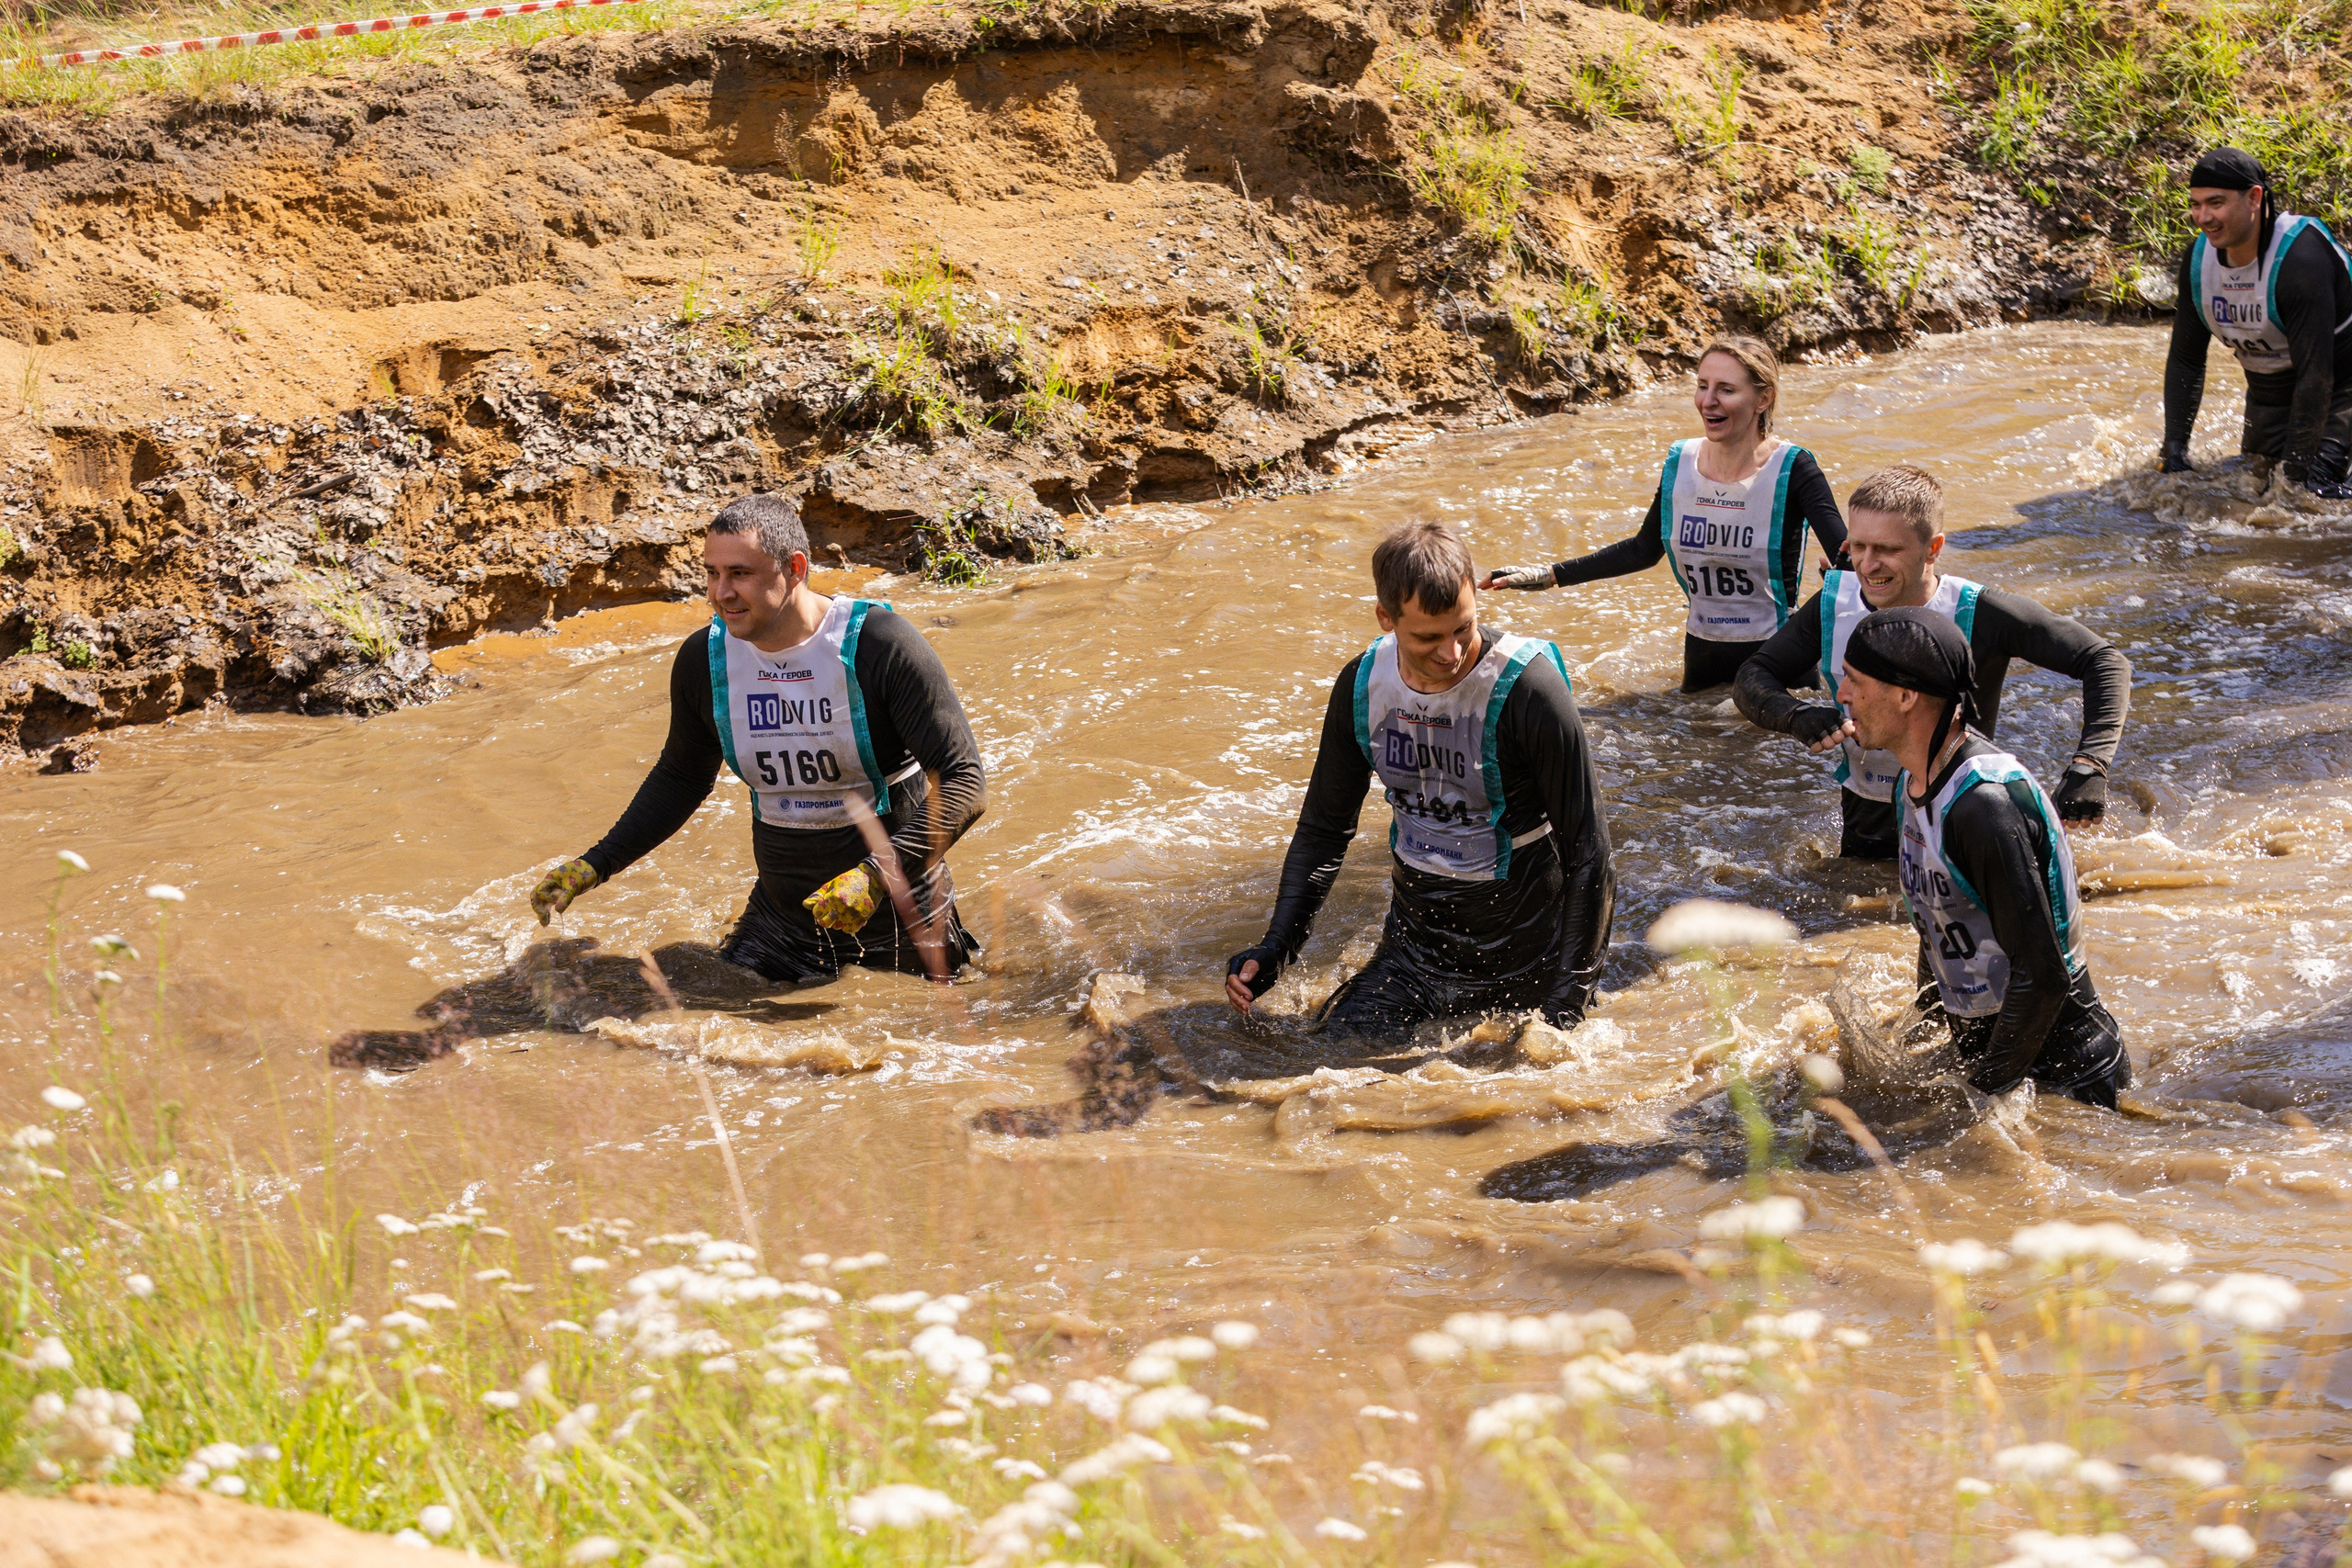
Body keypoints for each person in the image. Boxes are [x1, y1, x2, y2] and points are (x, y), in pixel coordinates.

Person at [528, 493, 986, 984]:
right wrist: (596, 864)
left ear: (794, 568)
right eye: (712, 573)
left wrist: (876, 875)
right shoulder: (706, 661)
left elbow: (964, 781)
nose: (720, 593)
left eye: (740, 574)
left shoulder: (879, 645)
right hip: (778, 926)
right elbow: (682, 777)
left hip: (899, 918)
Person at [1225, 521, 1614, 1040]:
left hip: (1531, 960)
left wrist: (1566, 1008)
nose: (1451, 653)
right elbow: (1324, 830)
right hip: (1415, 957)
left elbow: (1590, 855)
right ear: (1386, 618)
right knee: (1324, 1058)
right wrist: (1277, 948)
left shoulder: (1528, 689)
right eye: (1428, 637)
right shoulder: (1363, 687)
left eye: (1463, 629)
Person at [1734, 465, 2130, 860]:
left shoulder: (1980, 613)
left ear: (1933, 549)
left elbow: (2104, 661)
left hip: (1962, 824)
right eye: (1858, 547)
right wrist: (1795, 715)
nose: (1868, 566)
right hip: (1867, 827)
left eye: (1887, 550)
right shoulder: (1834, 603)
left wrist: (2089, 765)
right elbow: (1752, 677)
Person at [1838, 607, 2128, 1108]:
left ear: (1907, 696)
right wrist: (1920, 1035)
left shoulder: (1982, 806)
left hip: (2069, 1077)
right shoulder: (1911, 786)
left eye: (1854, 681)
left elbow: (2043, 977)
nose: (1841, 694)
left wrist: (1981, 1096)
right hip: (2002, 1057)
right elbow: (1939, 925)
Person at [1480, 336, 1849, 690]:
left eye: (1726, 389)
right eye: (1702, 385)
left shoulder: (1793, 468)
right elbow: (1644, 549)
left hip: (1779, 664)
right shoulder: (1681, 463)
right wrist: (1547, 575)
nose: (1708, 401)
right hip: (1702, 656)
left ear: (1762, 399)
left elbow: (1849, 559)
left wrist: (1834, 588)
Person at [2161, 146, 2352, 500]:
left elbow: (2317, 377)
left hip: (2340, 384)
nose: (2203, 217)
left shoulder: (2301, 261)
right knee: (2249, 487)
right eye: (2195, 204)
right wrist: (2174, 452)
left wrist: (2293, 481)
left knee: (2311, 496)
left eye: (2215, 203)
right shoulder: (2198, 263)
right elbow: (2186, 360)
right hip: (2270, 394)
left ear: (2254, 198)